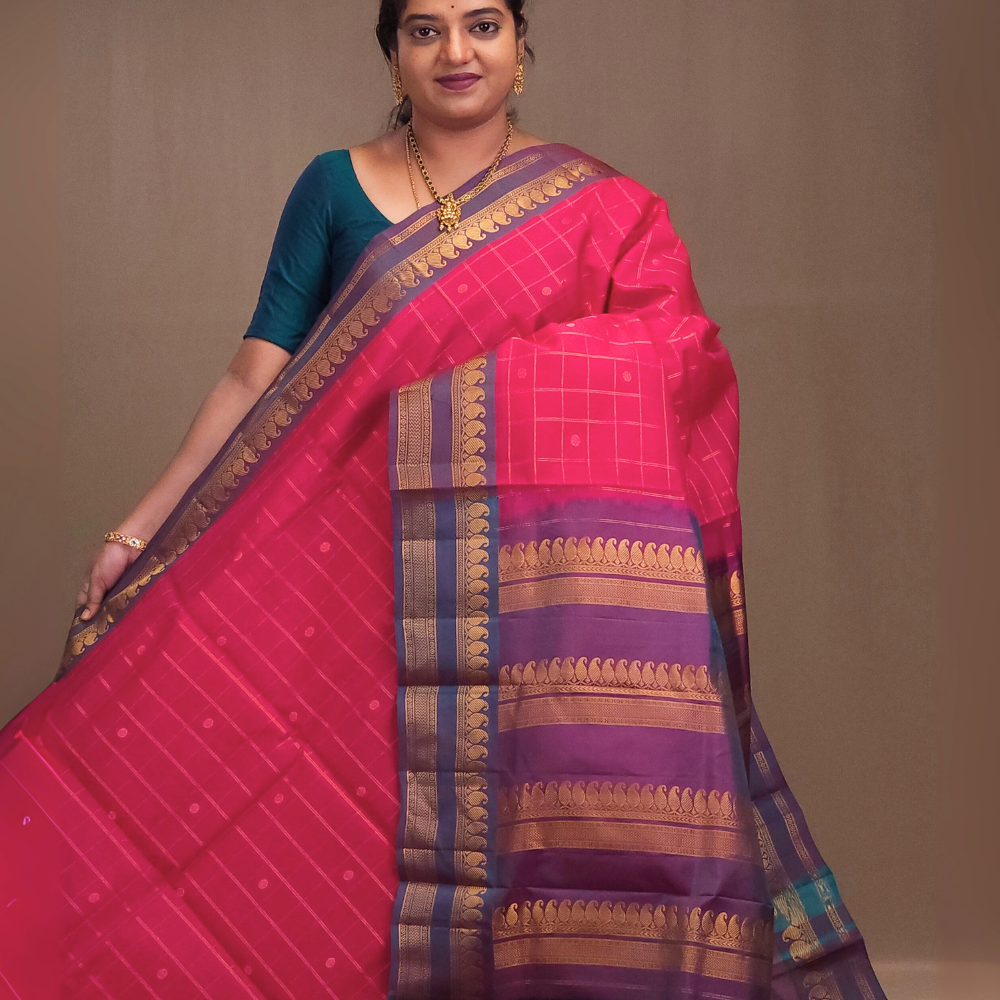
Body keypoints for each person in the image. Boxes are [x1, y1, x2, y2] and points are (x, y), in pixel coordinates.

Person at [0, 2, 888, 998]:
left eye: (482, 24)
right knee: (311, 820)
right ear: (393, 54)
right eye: (424, 29)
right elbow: (255, 374)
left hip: (521, 592)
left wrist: (488, 396)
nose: (456, 52)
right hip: (338, 568)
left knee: (501, 818)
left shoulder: (604, 211)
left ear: (521, 44)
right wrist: (139, 528)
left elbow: (674, 364)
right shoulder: (334, 186)